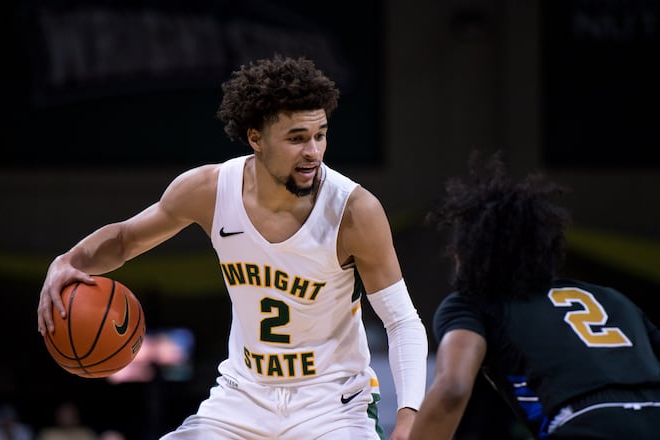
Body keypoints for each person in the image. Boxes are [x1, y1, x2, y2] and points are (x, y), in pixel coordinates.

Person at [37, 55, 428, 439]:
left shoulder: (354, 210)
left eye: (320, 134)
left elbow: (402, 322)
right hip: (242, 399)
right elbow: (124, 240)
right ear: (255, 138)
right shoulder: (209, 190)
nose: (313, 151)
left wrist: (409, 423)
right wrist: (68, 261)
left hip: (332, 406)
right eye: (296, 138)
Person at [409, 151, 660, 439]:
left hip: (589, 422)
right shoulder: (608, 297)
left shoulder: (470, 303)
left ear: (468, 252)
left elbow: (452, 389)